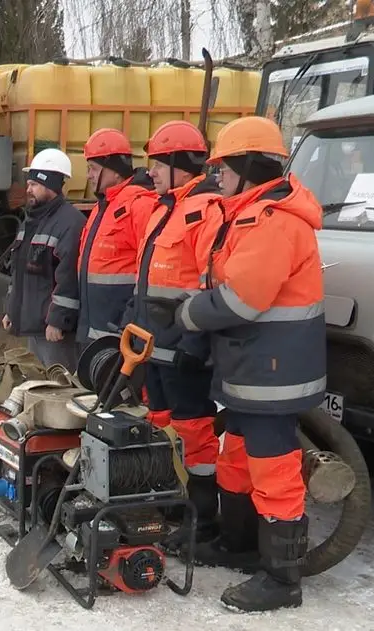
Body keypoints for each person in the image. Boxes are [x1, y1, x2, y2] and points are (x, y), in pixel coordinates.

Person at [167, 116, 326, 612]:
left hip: (272, 372)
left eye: (224, 169)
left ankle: (282, 580)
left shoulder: (274, 221)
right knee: (236, 456)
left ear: (247, 168)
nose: (217, 179)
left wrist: (187, 313)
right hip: (250, 367)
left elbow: (241, 299)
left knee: (274, 470)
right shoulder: (249, 214)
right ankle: (237, 545)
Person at [124, 120, 224, 542]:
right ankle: (168, 501)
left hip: (184, 348)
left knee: (195, 432)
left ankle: (200, 516)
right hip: (154, 347)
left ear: (179, 163)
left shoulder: (207, 209)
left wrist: (197, 343)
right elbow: (147, 277)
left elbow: (211, 284)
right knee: (161, 425)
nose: (152, 172)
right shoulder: (166, 208)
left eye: (158, 163)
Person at [3, 148, 87, 372]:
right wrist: (11, 309)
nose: (28, 190)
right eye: (29, 184)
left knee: (61, 386)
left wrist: (58, 320)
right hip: (33, 326)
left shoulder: (70, 223)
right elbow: (18, 271)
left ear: (51, 186)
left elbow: (68, 277)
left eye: (34, 185)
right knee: (40, 386)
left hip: (52, 331)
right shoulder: (31, 221)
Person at [76, 128, 156, 345]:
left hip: (120, 334)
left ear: (115, 171)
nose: (88, 176)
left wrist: (128, 323)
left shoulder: (139, 206)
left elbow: (150, 272)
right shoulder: (102, 207)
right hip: (95, 330)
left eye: (93, 168)